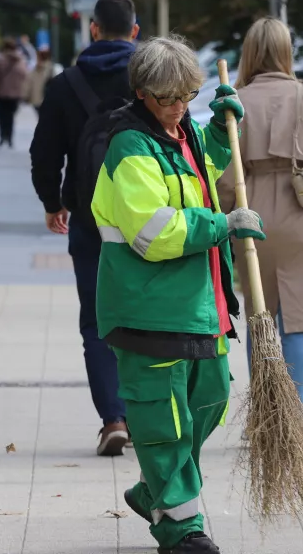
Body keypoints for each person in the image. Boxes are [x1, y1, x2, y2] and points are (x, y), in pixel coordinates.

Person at [91, 35, 264, 554]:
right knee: (164, 426)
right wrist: (223, 224)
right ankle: (181, 530)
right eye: (169, 99)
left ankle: (154, 491)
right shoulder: (129, 146)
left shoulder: (182, 132)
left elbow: (199, 173)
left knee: (208, 403)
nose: (179, 107)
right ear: (142, 93)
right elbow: (154, 231)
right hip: (147, 311)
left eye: (188, 97)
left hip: (200, 307)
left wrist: (216, 130)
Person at [28, 0, 140, 457]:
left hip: (91, 218)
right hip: (148, 216)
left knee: (97, 321)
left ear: (93, 30)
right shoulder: (150, 77)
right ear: (134, 32)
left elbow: (43, 154)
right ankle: (151, 415)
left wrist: (53, 203)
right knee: (149, 317)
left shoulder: (64, 85)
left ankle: (113, 419)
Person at [216, 17, 303, 404]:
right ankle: (294, 415)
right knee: (297, 323)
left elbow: (224, 176)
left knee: (261, 320)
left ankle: (265, 413)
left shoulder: (234, 101)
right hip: (301, 211)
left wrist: (227, 219)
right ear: (287, 50)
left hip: (249, 213)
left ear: (250, 53)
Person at [0, 37, 29, 147]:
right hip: (16, 93)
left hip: (1, 92)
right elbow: (24, 75)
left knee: (2, 116)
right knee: (11, 116)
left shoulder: (0, 60)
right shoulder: (20, 60)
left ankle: (3, 136)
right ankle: (10, 137)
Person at [21, 44, 62, 114]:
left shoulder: (35, 69)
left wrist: (26, 96)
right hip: (49, 99)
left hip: (36, 100)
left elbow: (28, 83)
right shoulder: (52, 68)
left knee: (41, 119)